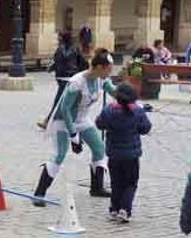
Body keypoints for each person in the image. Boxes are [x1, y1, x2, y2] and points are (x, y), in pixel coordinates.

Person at [33, 48, 117, 204]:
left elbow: (117, 93)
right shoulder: (78, 82)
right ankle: (39, 194)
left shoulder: (102, 79)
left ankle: (97, 187)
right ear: (99, 67)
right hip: (63, 120)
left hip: (82, 119)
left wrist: (134, 104)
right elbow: (65, 108)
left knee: (99, 149)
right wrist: (73, 136)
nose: (110, 73)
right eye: (109, 70)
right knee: (60, 154)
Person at [95, 83, 152, 223]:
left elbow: (99, 123)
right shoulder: (138, 112)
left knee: (116, 183)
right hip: (131, 155)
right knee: (130, 183)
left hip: (114, 154)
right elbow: (145, 128)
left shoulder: (109, 110)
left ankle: (114, 209)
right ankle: (125, 210)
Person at [37, 31, 88, 129]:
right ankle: (66, 120)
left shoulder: (59, 49)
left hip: (63, 79)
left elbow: (56, 62)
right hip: (73, 79)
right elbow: (82, 63)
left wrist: (50, 68)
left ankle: (48, 121)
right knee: (70, 101)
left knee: (59, 100)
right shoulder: (75, 49)